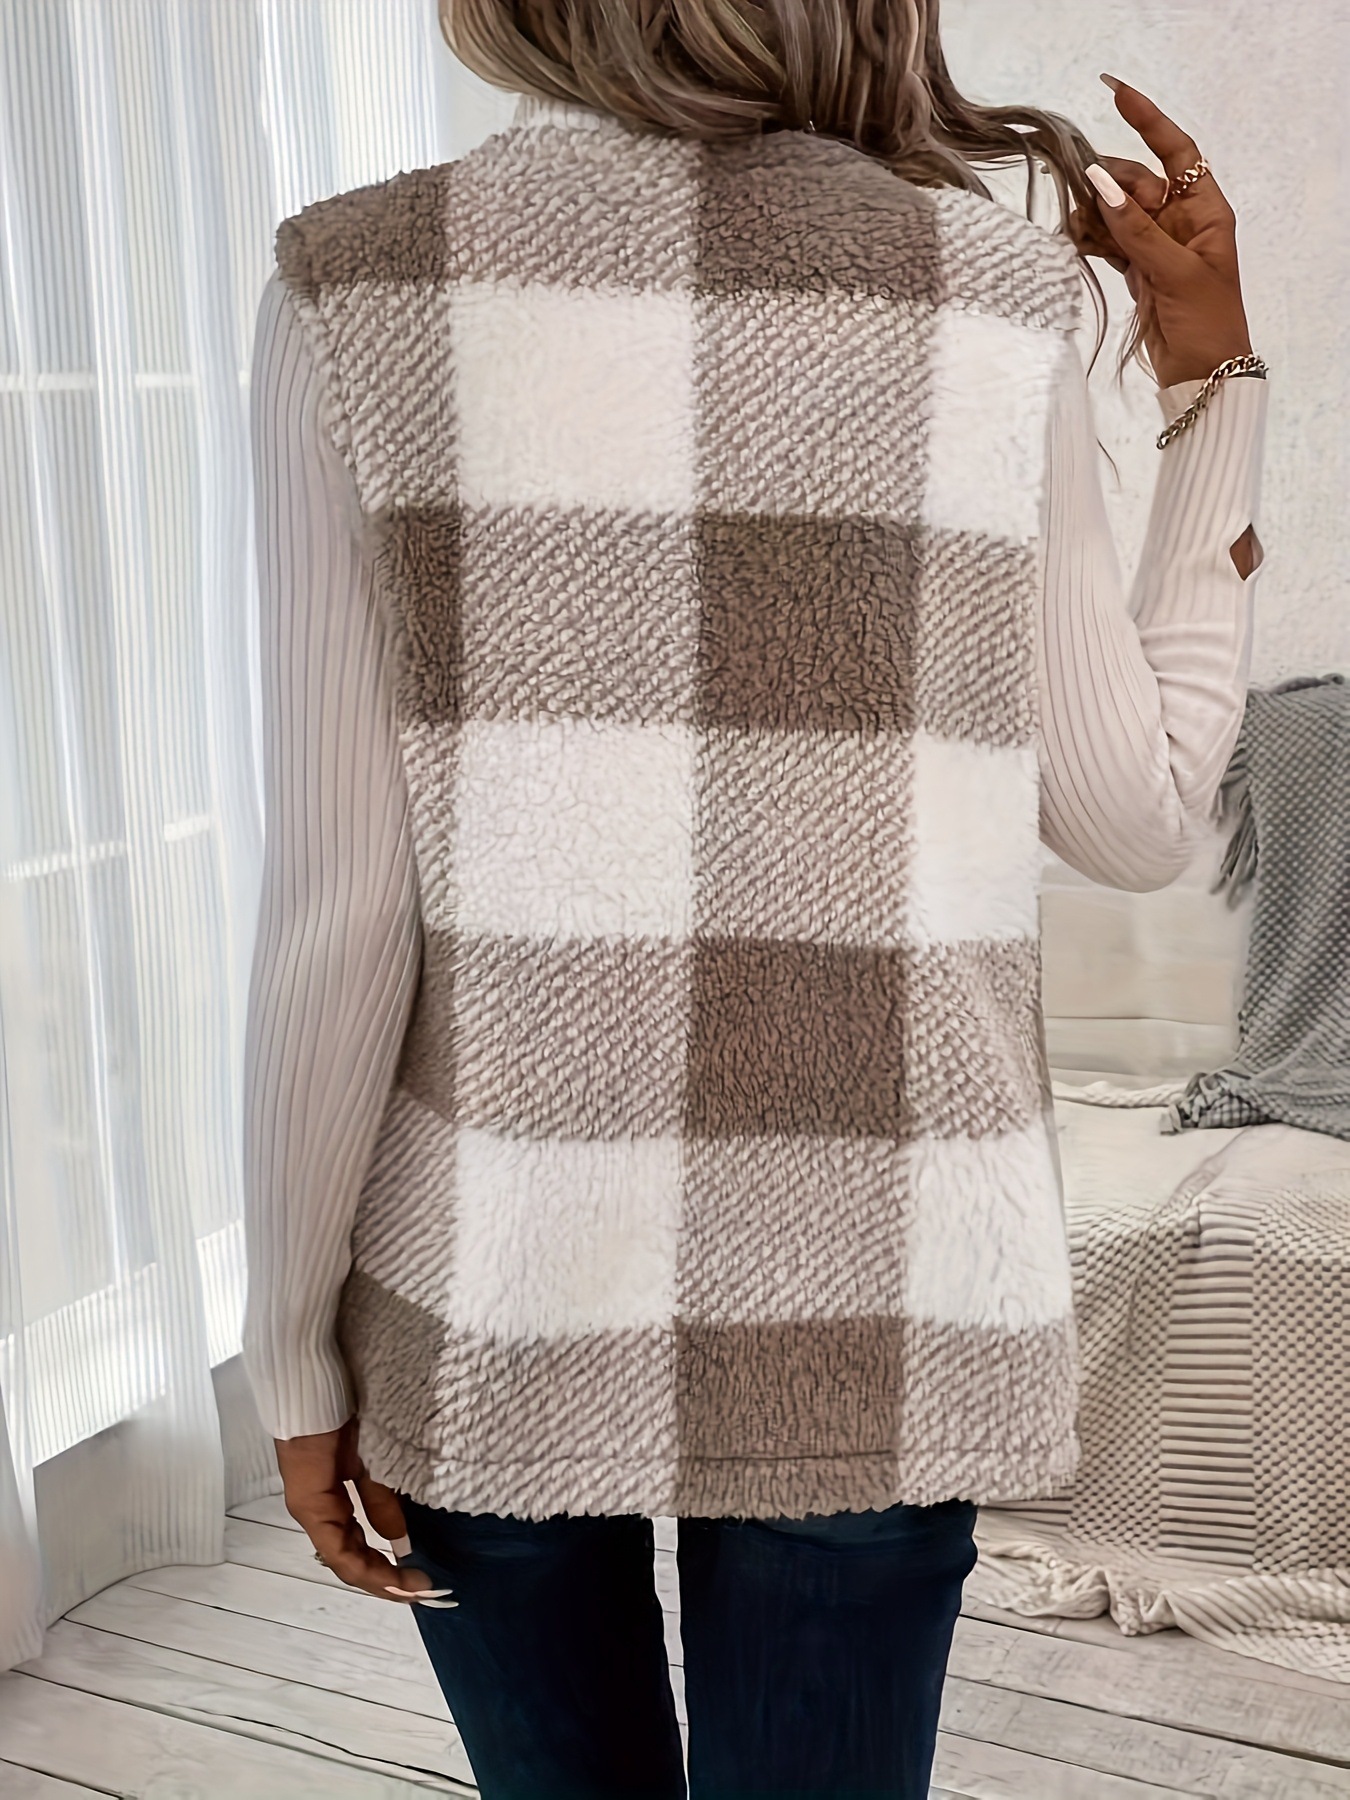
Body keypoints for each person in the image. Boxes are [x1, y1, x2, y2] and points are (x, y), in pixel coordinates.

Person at [241, 4, 1266, 1794]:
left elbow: (342, 913)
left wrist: (286, 1355)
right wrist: (1214, 393)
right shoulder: (985, 294)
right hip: (887, 1280)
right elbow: (1135, 821)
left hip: (497, 1271)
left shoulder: (352, 286)